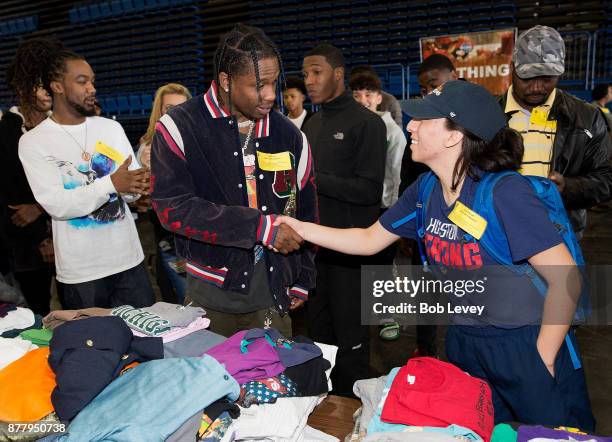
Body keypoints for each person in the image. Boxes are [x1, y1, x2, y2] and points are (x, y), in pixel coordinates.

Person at [276, 80, 595, 429]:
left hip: (526, 341)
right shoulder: (426, 190)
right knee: (481, 433)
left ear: (454, 136)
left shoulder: (506, 194)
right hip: (465, 340)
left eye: (425, 120)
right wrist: (298, 227)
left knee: (555, 435)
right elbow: (368, 239)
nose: (410, 125)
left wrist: (543, 358)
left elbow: (566, 277)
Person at [150, 24, 317, 338]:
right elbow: (172, 209)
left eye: (274, 82)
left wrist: (303, 277)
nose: (270, 95)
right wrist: (258, 227)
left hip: (273, 290)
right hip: (209, 296)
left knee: (273, 383)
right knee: (213, 384)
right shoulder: (178, 127)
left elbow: (306, 210)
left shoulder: (290, 135)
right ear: (226, 80)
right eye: (258, 85)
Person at [18, 41, 155, 309]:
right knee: (94, 347)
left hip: (129, 260)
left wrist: (135, 188)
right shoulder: (34, 142)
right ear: (57, 86)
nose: (91, 88)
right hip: (82, 272)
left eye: (92, 81)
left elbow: (127, 193)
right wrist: (112, 184)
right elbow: (57, 205)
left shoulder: (110, 128)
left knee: (145, 343)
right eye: (82, 81)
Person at [302, 44, 387, 395]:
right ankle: (322, 412)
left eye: (316, 71)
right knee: (318, 335)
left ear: (338, 73)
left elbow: (368, 191)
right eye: (305, 73)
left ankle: (353, 413)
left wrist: (311, 177)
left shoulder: (368, 123)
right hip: (314, 250)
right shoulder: (312, 121)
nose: (309, 80)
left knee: (351, 341)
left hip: (351, 254)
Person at [500, 25, 612, 239]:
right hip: (501, 235)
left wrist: (568, 188)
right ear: (513, 67)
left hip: (561, 235)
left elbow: (606, 179)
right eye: (527, 77)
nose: (536, 87)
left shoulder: (587, 117)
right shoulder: (489, 115)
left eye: (546, 78)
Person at [0, 38, 58, 316]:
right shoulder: (6, 132)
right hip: (26, 248)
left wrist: (41, 211)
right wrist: (41, 240)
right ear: (23, 86)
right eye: (39, 83)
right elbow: (11, 202)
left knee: (81, 309)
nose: (48, 90)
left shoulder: (63, 126)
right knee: (37, 315)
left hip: (70, 238)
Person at [137, 83, 192, 169]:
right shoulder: (147, 145)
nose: (176, 113)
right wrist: (143, 163)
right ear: (160, 110)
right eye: (169, 108)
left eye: (182, 107)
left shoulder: (200, 138)